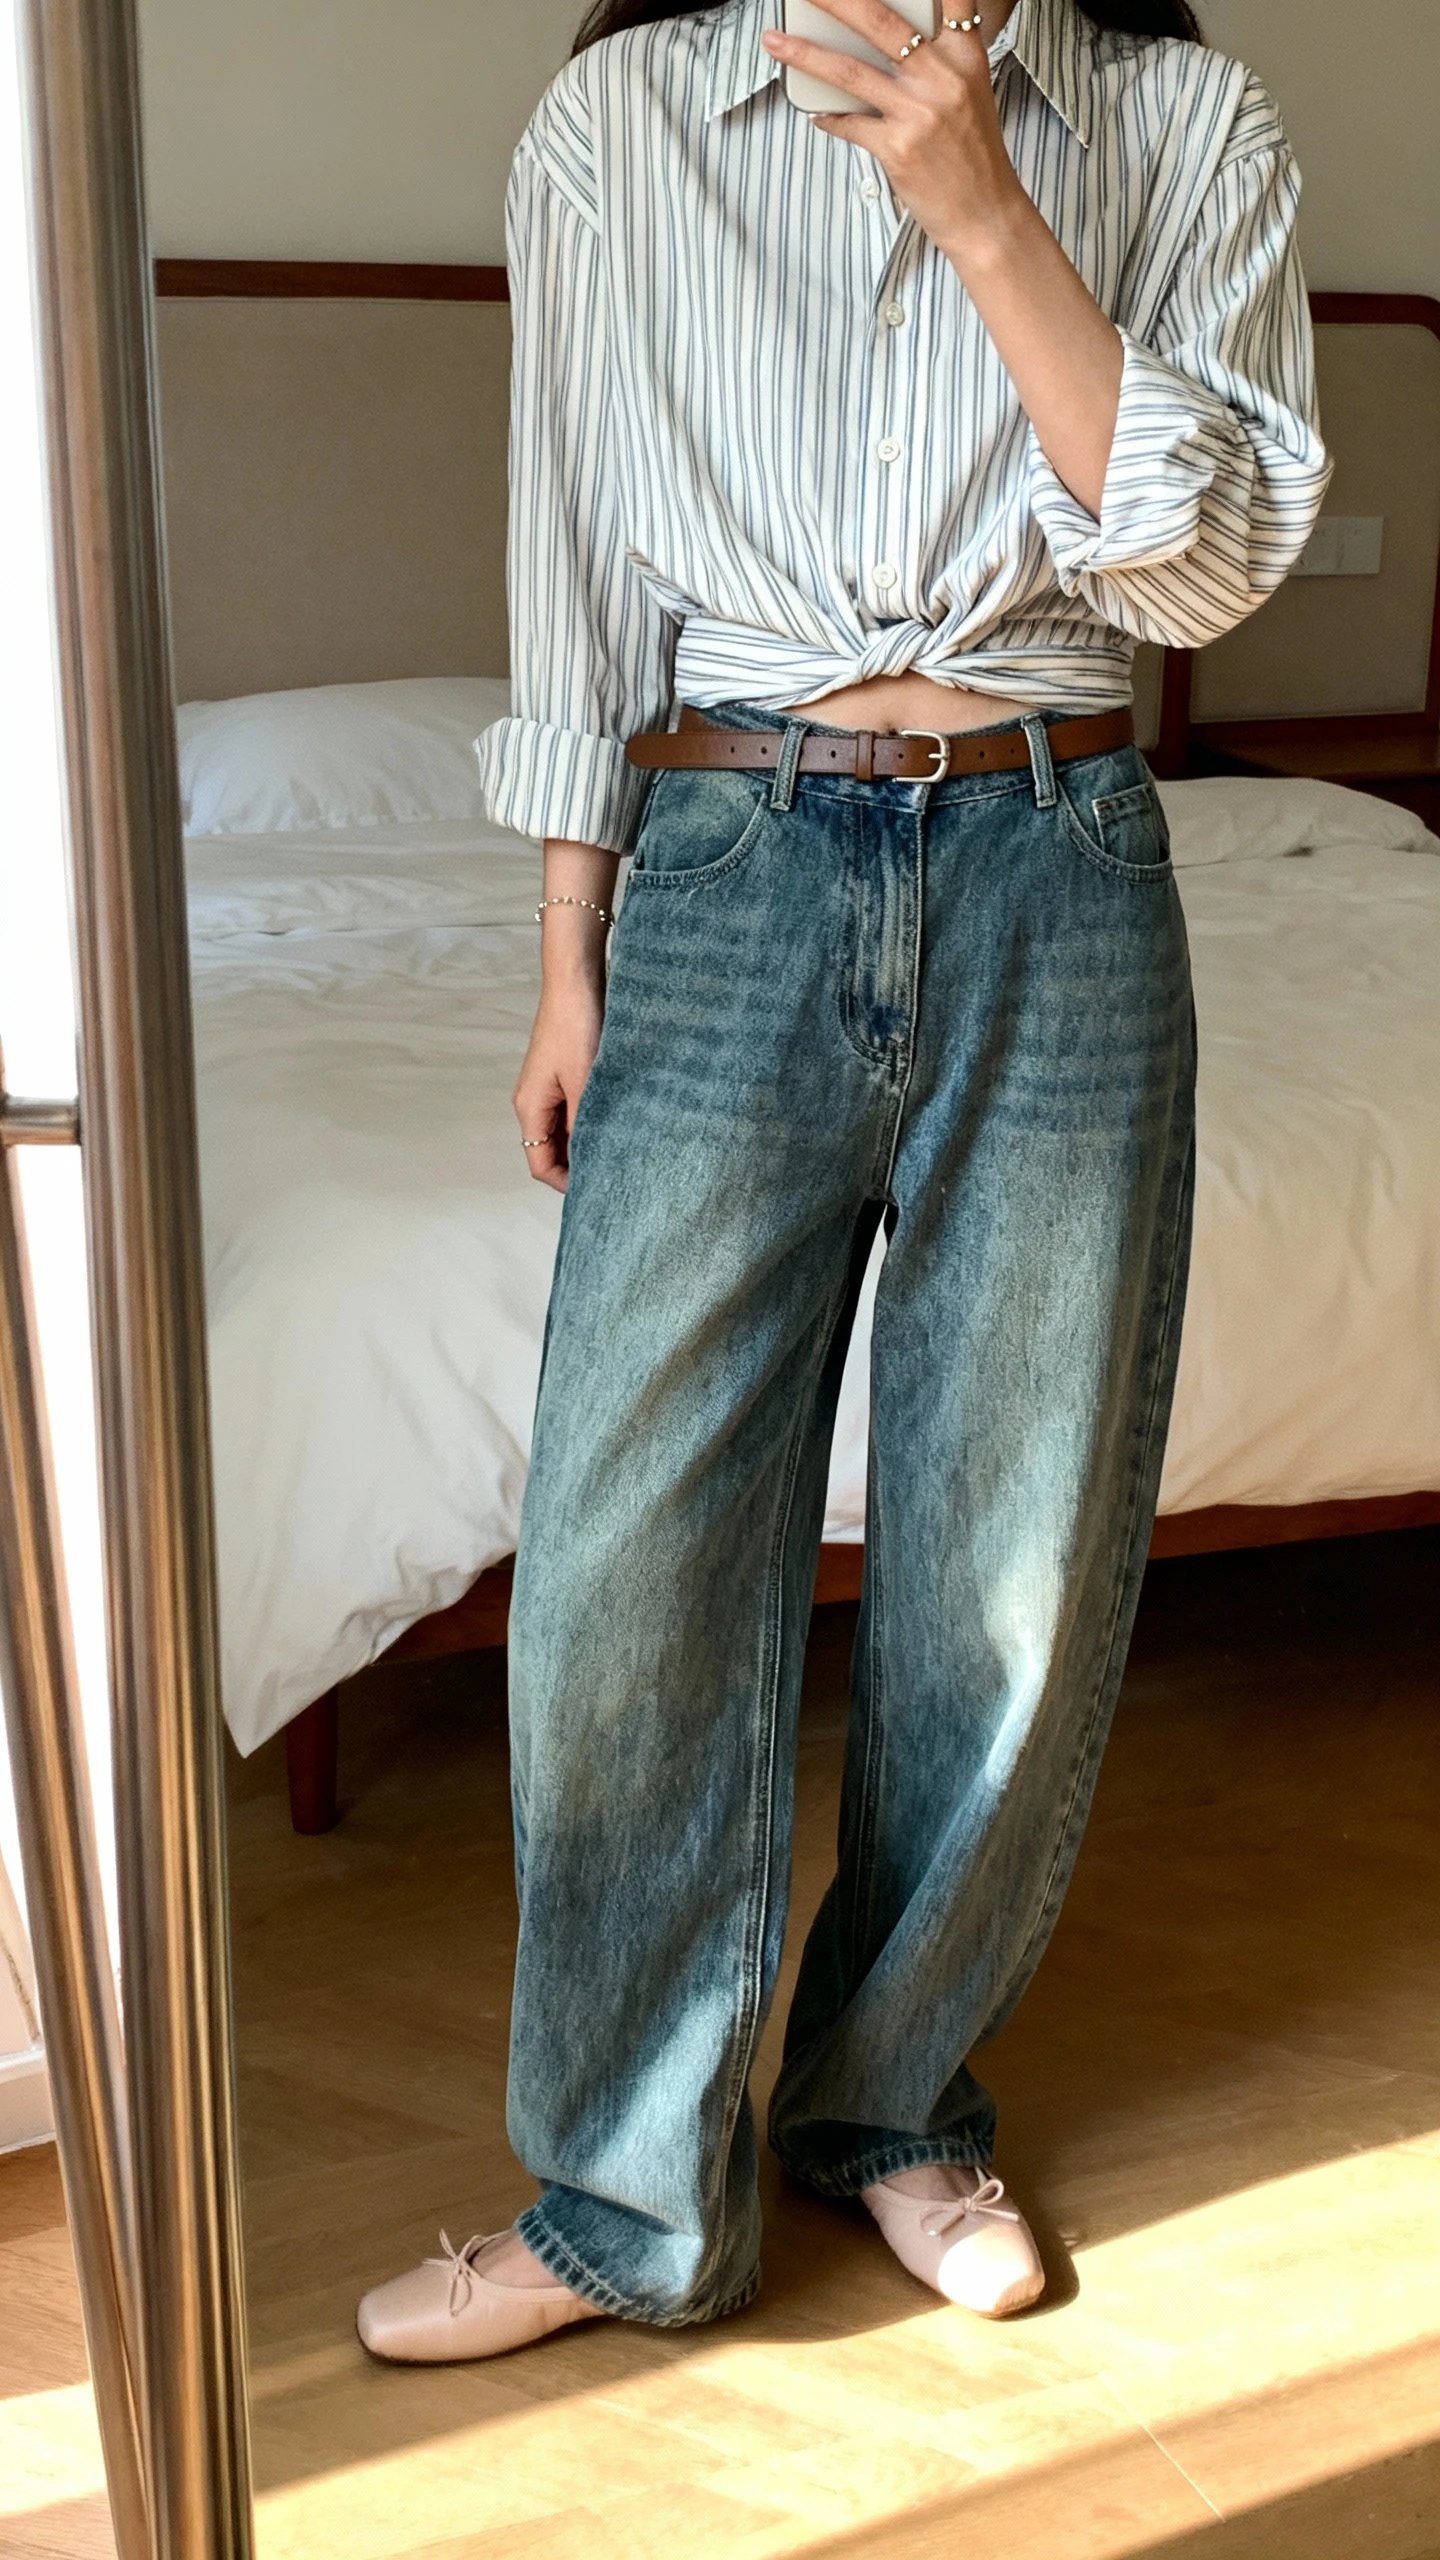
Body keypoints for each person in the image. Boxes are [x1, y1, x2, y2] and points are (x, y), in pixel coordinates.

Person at [357, 0, 1329, 2361]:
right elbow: (577, 552)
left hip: (1063, 849)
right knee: (625, 1555)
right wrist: (569, 949)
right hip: (721, 856)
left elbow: (1208, 579)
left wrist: (993, 211)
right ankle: (622, 2195)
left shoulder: (1185, 118)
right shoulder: (622, 120)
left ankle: (892, 2103)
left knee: (1014, 1542)